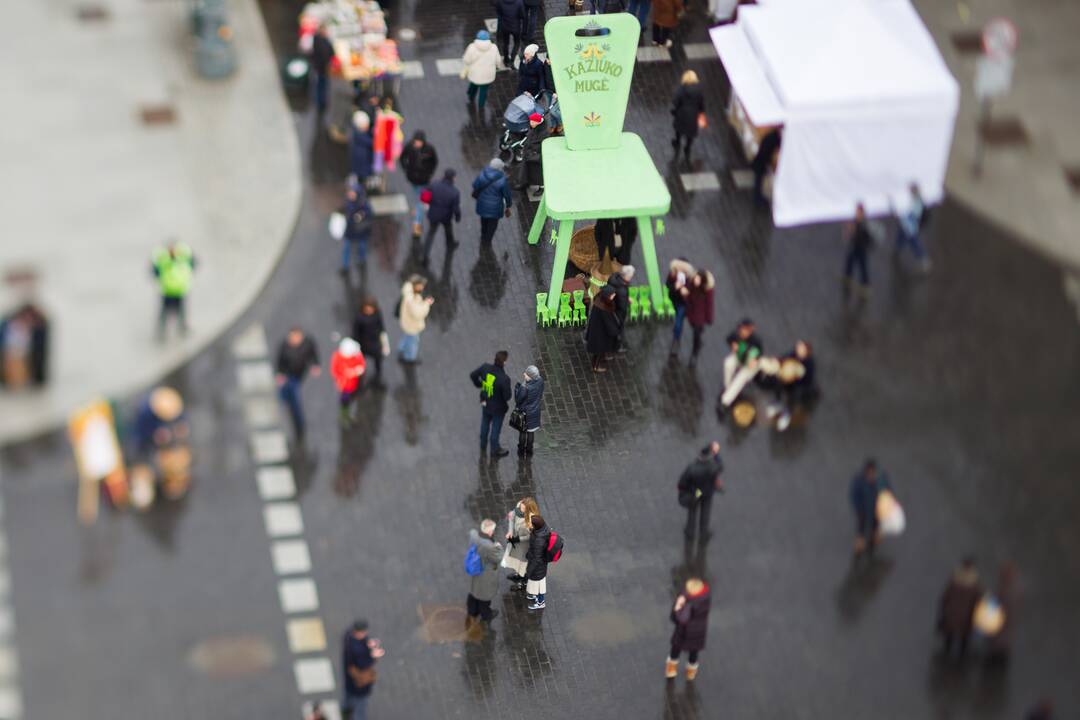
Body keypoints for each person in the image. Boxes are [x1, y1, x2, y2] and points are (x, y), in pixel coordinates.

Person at [274, 328, 321, 438]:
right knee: (289, 393)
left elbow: (313, 353)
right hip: (288, 375)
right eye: (292, 337)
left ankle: (298, 421)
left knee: (293, 394)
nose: (294, 340)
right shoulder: (285, 347)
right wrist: (280, 374)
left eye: (297, 337)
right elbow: (280, 361)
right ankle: (297, 418)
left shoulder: (307, 344)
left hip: (299, 374)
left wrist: (316, 364)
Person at [937, 556, 982, 661]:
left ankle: (946, 655)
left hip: (951, 614)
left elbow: (945, 597)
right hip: (966, 617)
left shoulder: (954, 579)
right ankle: (961, 657)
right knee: (964, 640)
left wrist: (943, 611)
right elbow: (977, 600)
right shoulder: (974, 582)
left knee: (949, 637)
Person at [665, 577, 711, 680]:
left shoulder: (689, 604)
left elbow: (681, 619)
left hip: (684, 630)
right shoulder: (706, 597)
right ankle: (691, 673)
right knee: (693, 652)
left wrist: (677, 607)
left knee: (676, 648)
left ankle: (671, 670)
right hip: (699, 631)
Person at [677, 442, 724, 541]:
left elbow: (682, 482)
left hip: (696, 492)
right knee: (705, 512)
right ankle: (704, 533)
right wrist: (716, 453)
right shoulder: (712, 467)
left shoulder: (692, 468)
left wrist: (685, 491)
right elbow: (720, 466)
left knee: (692, 511)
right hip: (707, 492)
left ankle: (690, 532)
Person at [470, 351, 513, 457]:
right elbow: (507, 397)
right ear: (504, 363)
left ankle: (483, 444)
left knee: (485, 422)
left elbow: (473, 375)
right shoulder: (504, 379)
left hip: (485, 401)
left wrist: (479, 384)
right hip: (498, 408)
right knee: (495, 429)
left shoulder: (485, 368)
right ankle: (495, 449)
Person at [151, 241, 196, 340]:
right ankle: (163, 331)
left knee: (179, 311)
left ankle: (181, 328)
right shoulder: (165, 259)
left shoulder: (182, 258)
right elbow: (155, 271)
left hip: (178, 290)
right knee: (166, 312)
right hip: (168, 290)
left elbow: (193, 263)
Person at [341, 619, 384, 720]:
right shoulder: (357, 649)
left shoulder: (348, 636)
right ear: (359, 632)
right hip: (359, 684)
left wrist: (368, 644)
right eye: (364, 632)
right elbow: (363, 665)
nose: (366, 633)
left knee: (348, 698)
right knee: (360, 707)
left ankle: (345, 713)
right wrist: (373, 656)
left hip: (349, 679)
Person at [848, 459, 891, 557]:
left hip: (877, 510)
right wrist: (859, 509)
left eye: (873, 473)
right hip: (863, 510)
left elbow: (888, 494)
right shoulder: (859, 480)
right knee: (861, 526)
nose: (871, 476)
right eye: (869, 473)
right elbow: (854, 496)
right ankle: (860, 542)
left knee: (876, 527)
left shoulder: (882, 479)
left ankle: (873, 541)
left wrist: (885, 508)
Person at [400, 131, 439, 238]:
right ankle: (420, 209)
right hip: (413, 179)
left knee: (420, 201)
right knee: (419, 198)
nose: (416, 144)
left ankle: (417, 223)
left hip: (424, 180)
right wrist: (406, 169)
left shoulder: (429, 149)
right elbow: (402, 158)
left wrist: (429, 172)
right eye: (415, 142)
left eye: (419, 142)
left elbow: (434, 162)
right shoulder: (409, 147)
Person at [719, 318, 763, 410]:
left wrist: (754, 360)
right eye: (742, 329)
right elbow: (729, 338)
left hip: (750, 365)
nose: (742, 332)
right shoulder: (736, 334)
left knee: (740, 379)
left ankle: (725, 402)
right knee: (728, 363)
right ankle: (727, 387)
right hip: (740, 358)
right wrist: (733, 345)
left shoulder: (756, 341)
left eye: (746, 330)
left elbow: (758, 355)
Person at [772, 339, 815, 431]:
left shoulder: (809, 363)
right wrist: (778, 361)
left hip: (800, 384)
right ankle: (777, 403)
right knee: (777, 382)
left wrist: (798, 376)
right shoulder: (793, 354)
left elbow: (808, 380)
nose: (797, 348)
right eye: (798, 347)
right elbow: (784, 358)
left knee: (794, 396)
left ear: (806, 351)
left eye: (800, 348)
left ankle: (786, 414)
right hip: (789, 380)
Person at [466, 518, 504, 623]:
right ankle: (486, 614)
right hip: (486, 574)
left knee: (474, 591)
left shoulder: (474, 535)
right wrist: (499, 547)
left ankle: (472, 610)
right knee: (484, 596)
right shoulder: (490, 546)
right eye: (493, 530)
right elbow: (499, 558)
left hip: (475, 568)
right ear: (489, 531)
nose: (493, 532)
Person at [422, 169, 462, 265]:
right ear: (452, 178)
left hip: (433, 214)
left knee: (431, 233)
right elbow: (455, 208)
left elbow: (425, 194)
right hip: (445, 217)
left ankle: (425, 255)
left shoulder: (434, 184)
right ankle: (450, 244)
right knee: (448, 229)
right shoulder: (455, 192)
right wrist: (457, 217)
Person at [473, 159, 513, 245]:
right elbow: (507, 195)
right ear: (499, 168)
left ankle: (483, 236)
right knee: (492, 225)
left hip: (482, 204)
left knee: (484, 221)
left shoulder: (483, 174)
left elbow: (475, 185)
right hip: (495, 208)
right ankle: (487, 241)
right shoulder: (502, 180)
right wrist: (509, 205)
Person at [351, 297, 388, 387]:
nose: (369, 310)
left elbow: (381, 326)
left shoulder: (377, 314)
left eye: (370, 308)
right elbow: (356, 332)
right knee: (361, 360)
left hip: (375, 343)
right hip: (363, 344)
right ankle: (361, 373)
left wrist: (384, 340)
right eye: (367, 309)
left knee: (378, 359)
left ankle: (378, 373)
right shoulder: (359, 318)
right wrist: (356, 344)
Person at [894, 183, 930, 272]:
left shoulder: (917, 201)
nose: (910, 191)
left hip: (910, 227)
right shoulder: (916, 199)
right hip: (907, 225)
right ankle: (897, 250)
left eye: (911, 190)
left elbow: (914, 215)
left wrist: (904, 216)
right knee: (901, 238)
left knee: (914, 243)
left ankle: (924, 259)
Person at [683, 269, 715, 368]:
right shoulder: (691, 284)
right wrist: (685, 295)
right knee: (695, 328)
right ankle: (699, 336)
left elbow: (709, 305)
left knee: (696, 334)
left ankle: (694, 353)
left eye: (698, 279)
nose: (696, 280)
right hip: (692, 313)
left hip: (700, 316)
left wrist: (709, 319)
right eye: (696, 278)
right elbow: (688, 299)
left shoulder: (708, 290)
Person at [987, 562, 1017, 666]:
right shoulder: (1014, 594)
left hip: (995, 639)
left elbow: (989, 612)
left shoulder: (998, 593)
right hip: (1004, 640)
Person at [505, 497, 540, 588]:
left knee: (524, 562)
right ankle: (518, 574)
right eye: (521, 507)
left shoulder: (532, 520)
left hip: (526, 546)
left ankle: (523, 581)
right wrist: (510, 532)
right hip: (517, 542)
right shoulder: (519, 506)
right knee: (517, 559)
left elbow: (531, 536)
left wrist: (518, 539)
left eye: (523, 509)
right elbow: (512, 518)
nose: (521, 510)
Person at [397, 275, 433, 363]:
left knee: (406, 337)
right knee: (413, 342)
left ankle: (401, 348)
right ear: (415, 285)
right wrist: (427, 304)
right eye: (421, 285)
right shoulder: (411, 299)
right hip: (412, 325)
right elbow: (417, 314)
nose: (422, 287)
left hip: (407, 323)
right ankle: (409, 357)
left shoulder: (408, 291)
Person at [330, 337, 366, 425]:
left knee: (352, 397)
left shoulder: (357, 355)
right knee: (344, 401)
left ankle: (346, 414)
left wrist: (356, 371)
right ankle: (344, 415)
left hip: (355, 383)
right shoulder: (337, 357)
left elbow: (362, 365)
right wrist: (344, 375)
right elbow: (334, 371)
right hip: (344, 385)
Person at [671, 70, 704, 162]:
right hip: (693, 115)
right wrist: (701, 112)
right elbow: (701, 104)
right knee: (691, 132)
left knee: (679, 129)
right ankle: (687, 147)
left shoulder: (681, 89)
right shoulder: (699, 91)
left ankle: (677, 143)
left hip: (682, 114)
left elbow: (675, 101)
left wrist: (676, 108)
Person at [463, 31, 500, 110]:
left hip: (475, 73)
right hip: (488, 74)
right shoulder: (493, 47)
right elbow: (498, 61)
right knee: (484, 90)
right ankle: (481, 105)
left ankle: (471, 96)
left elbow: (466, 60)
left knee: (474, 83)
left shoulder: (472, 47)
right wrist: (497, 66)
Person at [585, 292, 621, 373]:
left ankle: (599, 361)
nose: (613, 296)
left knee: (598, 351)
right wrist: (616, 332)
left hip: (597, 331)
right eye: (612, 295)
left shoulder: (599, 302)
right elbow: (609, 324)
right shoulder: (604, 308)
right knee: (599, 352)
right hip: (600, 334)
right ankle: (596, 367)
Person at [666, 257, 695, 358]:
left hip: (683, 303)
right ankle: (677, 333)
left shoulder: (690, 278)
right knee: (679, 319)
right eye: (679, 268)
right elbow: (668, 286)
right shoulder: (672, 275)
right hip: (674, 301)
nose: (681, 271)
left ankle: (676, 340)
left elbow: (693, 291)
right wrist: (675, 286)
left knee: (679, 321)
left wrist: (686, 291)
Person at [341, 184, 372, 275]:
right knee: (346, 248)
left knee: (362, 247)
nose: (350, 195)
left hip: (360, 231)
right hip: (350, 231)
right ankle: (345, 267)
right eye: (350, 193)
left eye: (352, 193)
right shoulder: (348, 202)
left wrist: (361, 215)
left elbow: (370, 213)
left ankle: (361, 260)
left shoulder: (363, 203)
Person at [514, 365, 544, 456]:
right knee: (531, 432)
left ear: (531, 377)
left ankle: (521, 449)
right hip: (535, 411)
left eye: (526, 374)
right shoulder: (540, 381)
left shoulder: (525, 387)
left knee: (523, 432)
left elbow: (518, 400)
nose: (524, 374)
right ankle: (529, 449)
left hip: (525, 412)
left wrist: (516, 390)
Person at [843, 202, 873, 293]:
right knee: (849, 261)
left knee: (863, 266)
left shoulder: (864, 223)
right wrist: (849, 231)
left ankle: (866, 285)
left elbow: (863, 236)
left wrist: (853, 231)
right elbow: (852, 233)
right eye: (856, 211)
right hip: (855, 246)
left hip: (861, 248)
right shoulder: (856, 221)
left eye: (858, 211)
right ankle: (848, 276)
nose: (857, 213)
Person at [603, 265, 634, 351]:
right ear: (626, 276)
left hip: (610, 308)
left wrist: (626, 298)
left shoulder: (614, 277)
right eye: (630, 276)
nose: (631, 278)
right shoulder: (622, 290)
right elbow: (623, 306)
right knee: (618, 329)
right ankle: (616, 347)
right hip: (618, 313)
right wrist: (626, 301)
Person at [514, 113, 548, 191]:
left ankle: (541, 188)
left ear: (537, 122)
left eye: (532, 122)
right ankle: (525, 182)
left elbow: (540, 145)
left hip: (536, 157)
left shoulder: (544, 133)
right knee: (527, 170)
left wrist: (531, 150)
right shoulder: (536, 127)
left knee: (538, 174)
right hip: (530, 154)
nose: (530, 123)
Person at [524, 513, 551, 609]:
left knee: (539, 584)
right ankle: (536, 596)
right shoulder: (543, 529)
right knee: (538, 583)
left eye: (531, 523)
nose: (530, 524)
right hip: (541, 564)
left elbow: (536, 559)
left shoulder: (538, 541)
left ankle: (540, 602)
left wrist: (529, 571)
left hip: (538, 566)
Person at [751, 128, 781, 208]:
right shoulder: (775, 138)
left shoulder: (771, 136)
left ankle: (758, 198)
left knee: (758, 181)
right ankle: (758, 199)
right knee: (759, 181)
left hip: (760, 161)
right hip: (761, 162)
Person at [310, 25, 335, 114]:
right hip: (322, 68)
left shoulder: (316, 38)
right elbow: (330, 52)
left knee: (319, 84)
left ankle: (319, 101)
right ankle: (321, 102)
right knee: (322, 84)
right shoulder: (323, 43)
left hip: (318, 66)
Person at [493, 0, 525, 67]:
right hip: (516, 26)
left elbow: (498, 12)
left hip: (505, 26)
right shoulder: (519, 2)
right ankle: (512, 60)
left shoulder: (500, 2)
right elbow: (522, 15)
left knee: (505, 43)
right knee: (517, 43)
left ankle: (506, 59)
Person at [349, 111, 375, 187]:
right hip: (363, 169)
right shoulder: (361, 137)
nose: (367, 126)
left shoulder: (356, 133)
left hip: (360, 168)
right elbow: (372, 143)